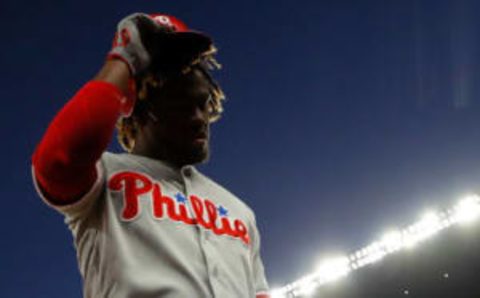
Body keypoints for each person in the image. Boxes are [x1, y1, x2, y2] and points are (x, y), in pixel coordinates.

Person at [31, 13, 270, 298]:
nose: (199, 118)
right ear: (136, 106)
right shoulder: (103, 177)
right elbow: (57, 161)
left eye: (203, 103)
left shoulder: (239, 211)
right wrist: (124, 59)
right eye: (181, 104)